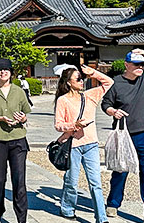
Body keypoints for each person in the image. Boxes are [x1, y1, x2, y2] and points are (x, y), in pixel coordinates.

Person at [101, 49, 144, 223]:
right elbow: (106, 103)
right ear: (127, 65)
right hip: (124, 133)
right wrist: (112, 111)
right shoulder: (116, 83)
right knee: (120, 171)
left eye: (143, 65)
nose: (141, 67)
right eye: (137, 64)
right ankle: (113, 203)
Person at [55, 64, 113, 223]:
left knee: (96, 183)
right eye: (78, 79)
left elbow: (109, 83)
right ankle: (67, 209)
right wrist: (74, 125)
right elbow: (58, 124)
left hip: (91, 144)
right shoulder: (63, 100)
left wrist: (93, 73)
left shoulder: (90, 96)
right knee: (71, 182)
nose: (82, 81)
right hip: (72, 146)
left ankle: (101, 219)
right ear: (68, 82)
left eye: (82, 78)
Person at [0, 58, 31, 223]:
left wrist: (23, 118)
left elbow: (26, 113)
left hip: (18, 140)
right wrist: (0, 119)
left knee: (19, 181)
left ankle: (21, 218)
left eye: (6, 69)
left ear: (11, 72)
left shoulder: (18, 91)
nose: (3, 72)